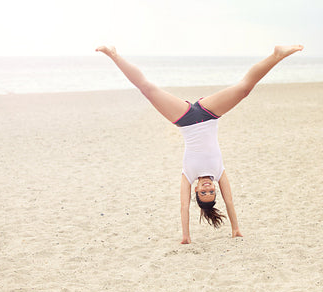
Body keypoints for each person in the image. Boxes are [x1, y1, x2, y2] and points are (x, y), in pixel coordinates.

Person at [96, 44, 304, 244]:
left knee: (147, 89)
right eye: (211, 192)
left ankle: (114, 55)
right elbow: (229, 202)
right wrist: (236, 229)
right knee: (243, 89)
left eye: (203, 193)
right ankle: (277, 55)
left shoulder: (188, 175)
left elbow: (184, 207)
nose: (207, 189)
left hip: (184, 119)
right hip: (209, 113)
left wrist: (186, 236)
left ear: (195, 190)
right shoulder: (219, 172)